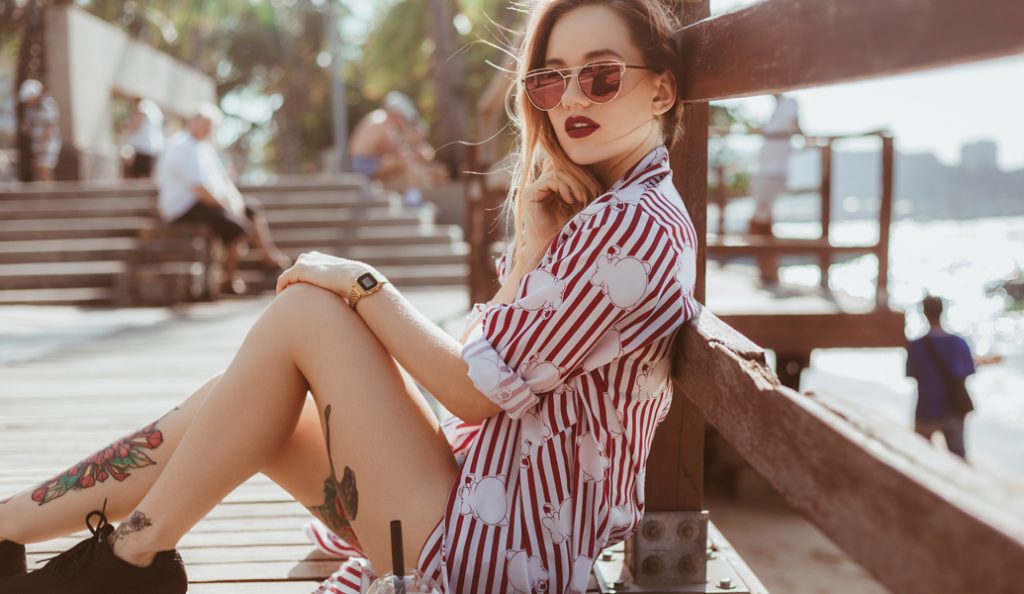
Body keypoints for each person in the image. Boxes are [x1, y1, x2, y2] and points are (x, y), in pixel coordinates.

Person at [0, 1, 701, 592]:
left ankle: (128, 558)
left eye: (602, 76)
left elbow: (474, 391)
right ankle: (14, 528)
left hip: (499, 553)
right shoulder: (609, 209)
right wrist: (529, 255)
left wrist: (365, 285)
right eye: (552, 81)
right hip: (477, 498)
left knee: (308, 312)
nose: (573, 97)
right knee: (241, 399)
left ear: (661, 90)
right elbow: (491, 366)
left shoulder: (629, 228)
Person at [156, 103, 292, 294]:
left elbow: (221, 182)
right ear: (193, 123)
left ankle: (268, 256)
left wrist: (234, 203)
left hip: (205, 201)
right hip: (183, 206)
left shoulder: (203, 148)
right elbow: (199, 189)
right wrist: (228, 208)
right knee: (237, 227)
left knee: (251, 209)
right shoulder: (182, 146)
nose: (207, 130)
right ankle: (230, 278)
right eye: (204, 125)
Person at [905, 295, 1002, 459]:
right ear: (942, 311)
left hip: (926, 410)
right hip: (954, 409)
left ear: (924, 313)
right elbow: (966, 371)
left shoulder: (916, 346)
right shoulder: (959, 343)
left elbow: (912, 374)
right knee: (957, 458)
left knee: (920, 459)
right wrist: (983, 362)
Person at [349, 91, 440, 206]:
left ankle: (413, 196)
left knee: (405, 163)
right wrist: (415, 142)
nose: (402, 121)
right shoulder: (381, 120)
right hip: (365, 165)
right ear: (396, 113)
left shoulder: (379, 118)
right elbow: (397, 151)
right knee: (404, 163)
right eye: (402, 117)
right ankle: (413, 199)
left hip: (365, 163)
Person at [747, 93, 801, 285]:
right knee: (762, 221)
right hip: (766, 171)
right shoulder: (777, 107)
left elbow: (797, 127)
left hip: (772, 172)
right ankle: (768, 269)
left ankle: (768, 269)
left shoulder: (789, 103)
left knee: (759, 221)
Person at [18, 79, 61, 182]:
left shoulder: (48, 105)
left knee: (45, 167)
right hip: (37, 142)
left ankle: (50, 194)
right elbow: (27, 126)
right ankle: (44, 193)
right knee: (38, 168)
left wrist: (44, 145)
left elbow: (49, 127)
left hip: (48, 142)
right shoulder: (30, 109)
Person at [120, 96, 164, 179]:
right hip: (152, 151)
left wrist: (124, 132)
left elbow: (136, 124)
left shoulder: (142, 106)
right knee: (144, 179)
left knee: (136, 180)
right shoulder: (154, 108)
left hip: (141, 151)